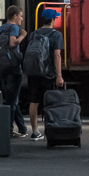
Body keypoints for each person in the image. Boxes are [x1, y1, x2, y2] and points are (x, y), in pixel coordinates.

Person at [0, 4, 28, 138]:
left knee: (12, 99)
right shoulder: (14, 28)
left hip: (1, 69)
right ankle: (8, 130)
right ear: (14, 16)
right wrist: (22, 36)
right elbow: (12, 43)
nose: (21, 19)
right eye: (20, 16)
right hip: (14, 68)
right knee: (11, 101)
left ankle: (22, 129)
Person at [24, 8, 64, 141]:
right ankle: (51, 130)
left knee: (34, 101)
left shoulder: (34, 34)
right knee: (50, 103)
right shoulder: (56, 35)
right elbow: (57, 55)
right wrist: (59, 75)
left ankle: (35, 132)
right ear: (52, 20)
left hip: (34, 73)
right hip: (48, 73)